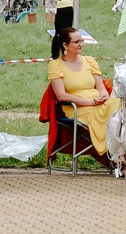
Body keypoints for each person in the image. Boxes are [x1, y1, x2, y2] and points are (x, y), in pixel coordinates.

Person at [41, 25, 118, 170]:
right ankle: (117, 160)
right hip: (77, 107)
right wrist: (90, 102)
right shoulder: (55, 65)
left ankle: (119, 156)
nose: (81, 44)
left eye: (82, 41)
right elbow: (61, 95)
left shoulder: (89, 61)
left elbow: (101, 87)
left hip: (98, 102)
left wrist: (103, 96)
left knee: (119, 107)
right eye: (76, 42)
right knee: (111, 114)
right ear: (65, 45)